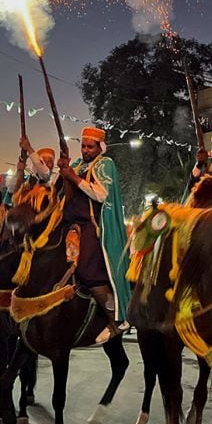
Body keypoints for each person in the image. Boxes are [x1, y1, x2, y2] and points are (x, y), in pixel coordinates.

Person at [56, 126, 132, 341]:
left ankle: (114, 317)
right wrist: (63, 173)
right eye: (83, 146)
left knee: (88, 269)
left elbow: (101, 195)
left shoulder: (105, 164)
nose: (86, 150)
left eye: (90, 147)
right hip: (68, 225)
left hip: (90, 226)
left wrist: (74, 177)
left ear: (100, 147)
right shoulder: (77, 165)